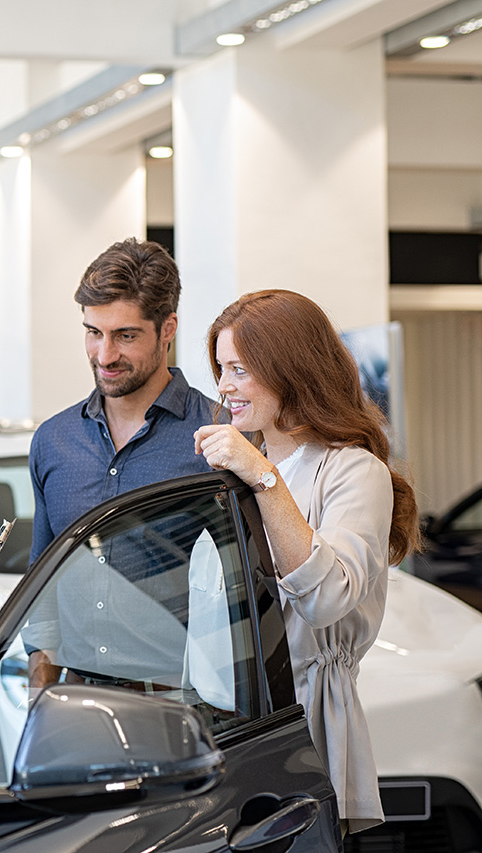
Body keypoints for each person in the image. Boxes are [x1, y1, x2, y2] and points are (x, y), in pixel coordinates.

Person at [193, 289, 418, 834]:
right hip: (224, 728)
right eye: (221, 369)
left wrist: (263, 478)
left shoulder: (352, 472)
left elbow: (324, 598)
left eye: (240, 370)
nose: (223, 388)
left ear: (289, 370)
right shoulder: (241, 468)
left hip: (299, 731)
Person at [27, 237, 220, 688]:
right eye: (93, 332)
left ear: (167, 329)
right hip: (75, 699)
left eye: (125, 336)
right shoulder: (54, 441)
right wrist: (42, 682)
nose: (105, 355)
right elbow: (43, 577)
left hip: (181, 703)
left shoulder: (221, 436)